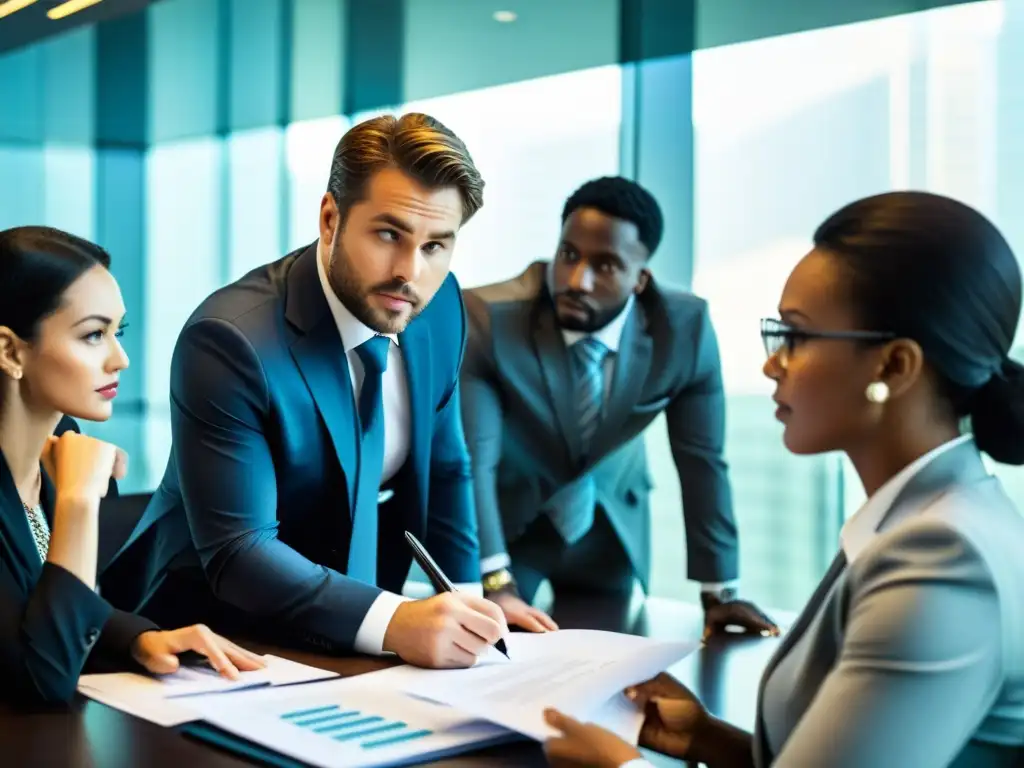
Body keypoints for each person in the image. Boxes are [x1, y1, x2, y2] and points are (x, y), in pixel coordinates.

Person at [541, 190, 1024, 767]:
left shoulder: (942, 560)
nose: (773, 363)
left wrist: (622, 767)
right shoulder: (928, 517)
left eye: (794, 335)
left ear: (893, 366)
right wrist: (707, 740)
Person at [140, 113, 517, 668]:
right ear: (329, 217)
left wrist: (468, 608)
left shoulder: (437, 311)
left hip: (353, 634)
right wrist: (395, 621)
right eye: (389, 234)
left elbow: (446, 465)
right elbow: (240, 552)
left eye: (436, 245)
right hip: (213, 640)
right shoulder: (229, 341)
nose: (409, 272)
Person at [461, 176, 775, 636]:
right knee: (491, 646)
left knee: (607, 665)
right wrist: (493, 580)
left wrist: (720, 592)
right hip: (510, 529)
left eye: (605, 265)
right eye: (568, 254)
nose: (575, 280)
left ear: (640, 279)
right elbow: (474, 460)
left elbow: (702, 462)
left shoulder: (684, 330)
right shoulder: (489, 316)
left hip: (609, 531)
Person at [0, 226, 265, 705]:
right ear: (10, 351)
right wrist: (78, 504)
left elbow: (40, 608)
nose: (119, 359)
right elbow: (42, 681)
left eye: (116, 332)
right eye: (93, 335)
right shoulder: (78, 473)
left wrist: (138, 640)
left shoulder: (66, 444)